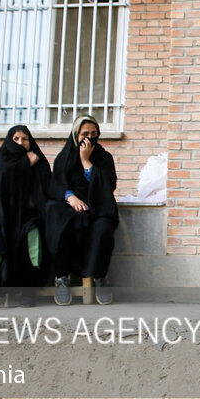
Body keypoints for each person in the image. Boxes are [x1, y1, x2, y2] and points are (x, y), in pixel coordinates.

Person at [45, 116, 118, 306]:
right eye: (85, 134)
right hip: (70, 206)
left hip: (97, 206)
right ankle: (61, 277)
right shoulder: (65, 157)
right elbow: (56, 184)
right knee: (59, 219)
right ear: (76, 135)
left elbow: (108, 185)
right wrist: (70, 197)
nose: (89, 138)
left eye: (94, 134)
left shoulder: (104, 157)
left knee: (103, 227)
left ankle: (99, 276)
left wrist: (87, 162)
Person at [0, 125, 50, 307]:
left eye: (25, 139)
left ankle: (27, 290)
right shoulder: (1, 160)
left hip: (28, 214)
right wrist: (25, 164)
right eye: (16, 139)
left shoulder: (38, 160)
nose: (20, 142)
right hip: (0, 214)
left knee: (30, 237)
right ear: (9, 140)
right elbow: (2, 180)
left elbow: (45, 188)